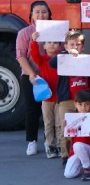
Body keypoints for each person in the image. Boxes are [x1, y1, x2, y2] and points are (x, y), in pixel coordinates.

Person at [49, 31, 90, 165]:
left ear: (83, 47)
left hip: (84, 102)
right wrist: (66, 54)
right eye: (72, 44)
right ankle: (66, 156)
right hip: (67, 100)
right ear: (65, 46)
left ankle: (85, 152)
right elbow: (51, 63)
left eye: (78, 44)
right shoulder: (63, 58)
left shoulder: (86, 60)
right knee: (66, 128)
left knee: (86, 128)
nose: (75, 47)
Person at [16, 0, 51, 155]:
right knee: (32, 110)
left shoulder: (56, 30)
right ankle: (32, 141)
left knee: (50, 111)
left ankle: (50, 142)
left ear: (49, 14)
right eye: (37, 12)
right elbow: (20, 56)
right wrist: (31, 73)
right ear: (31, 15)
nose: (41, 15)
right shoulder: (24, 33)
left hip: (51, 75)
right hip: (30, 76)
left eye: (44, 12)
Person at [30, 29, 61, 158]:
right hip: (47, 97)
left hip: (60, 97)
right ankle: (50, 145)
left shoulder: (62, 59)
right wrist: (33, 41)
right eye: (49, 42)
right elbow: (34, 54)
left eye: (55, 42)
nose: (52, 44)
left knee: (60, 123)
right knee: (48, 123)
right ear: (44, 46)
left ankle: (60, 145)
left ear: (60, 46)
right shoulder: (42, 60)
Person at [63, 89, 90, 180]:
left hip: (89, 148)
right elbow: (70, 140)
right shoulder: (72, 119)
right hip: (75, 150)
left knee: (77, 145)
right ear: (75, 104)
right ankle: (86, 163)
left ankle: (87, 167)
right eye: (80, 104)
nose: (83, 107)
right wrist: (65, 128)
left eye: (86, 104)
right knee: (68, 174)